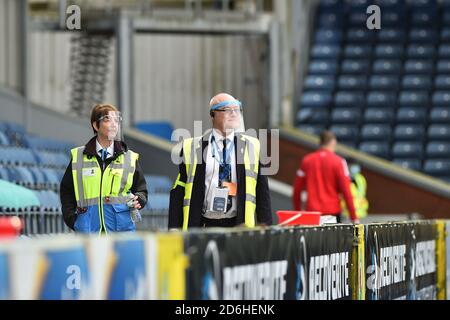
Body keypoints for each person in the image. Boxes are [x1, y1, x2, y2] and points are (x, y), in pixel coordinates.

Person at [169, 93, 272, 230]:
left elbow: (262, 189)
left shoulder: (252, 146)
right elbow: (179, 189)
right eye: (228, 110)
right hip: (202, 225)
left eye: (237, 109)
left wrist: (266, 227)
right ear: (213, 114)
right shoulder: (191, 147)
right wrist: (174, 228)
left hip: (239, 226)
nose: (234, 114)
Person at [60, 104, 148, 233]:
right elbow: (66, 191)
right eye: (108, 119)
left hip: (121, 232)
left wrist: (140, 199)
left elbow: (141, 190)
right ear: (96, 125)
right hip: (89, 232)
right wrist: (72, 220)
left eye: (116, 120)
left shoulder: (129, 158)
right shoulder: (78, 157)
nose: (114, 124)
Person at [292, 130, 359, 224]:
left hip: (312, 213)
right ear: (333, 142)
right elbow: (346, 191)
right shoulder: (339, 162)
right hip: (332, 213)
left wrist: (298, 212)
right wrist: (354, 217)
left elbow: (297, 190)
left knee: (313, 239)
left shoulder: (307, 161)